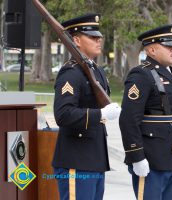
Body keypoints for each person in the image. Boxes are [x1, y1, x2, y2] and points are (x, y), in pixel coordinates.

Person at [52, 13, 121, 200]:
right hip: (77, 159)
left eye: (99, 36)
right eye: (92, 36)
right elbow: (63, 114)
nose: (99, 39)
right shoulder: (71, 73)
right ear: (76, 40)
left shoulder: (95, 70)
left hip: (94, 158)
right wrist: (100, 114)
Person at [119, 24, 172, 200]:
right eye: (168, 46)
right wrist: (136, 156)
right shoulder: (141, 75)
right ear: (152, 50)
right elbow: (128, 119)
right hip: (151, 158)